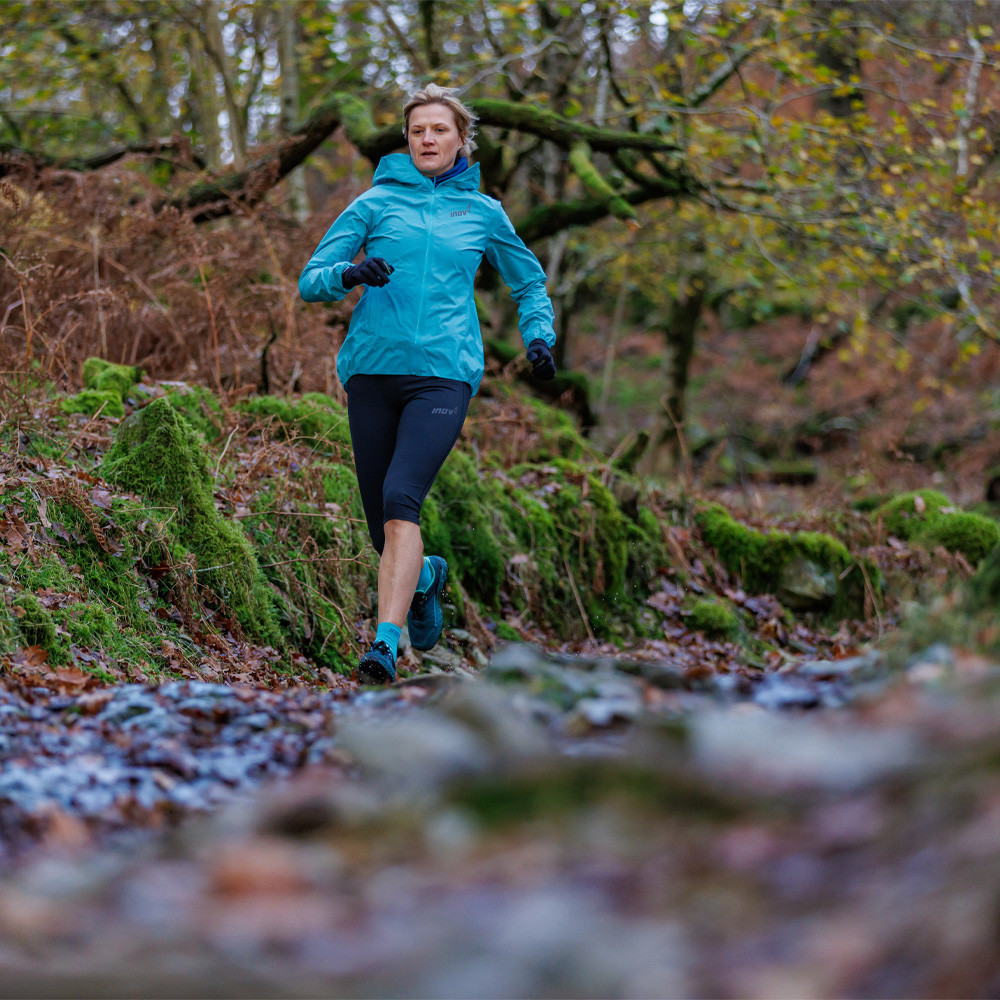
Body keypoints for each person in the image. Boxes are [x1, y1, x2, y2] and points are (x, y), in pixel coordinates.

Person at [299, 83, 557, 685]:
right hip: (372, 371)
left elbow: (529, 282)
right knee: (381, 531)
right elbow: (311, 281)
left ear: (461, 139)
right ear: (407, 140)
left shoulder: (484, 213)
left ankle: (384, 646)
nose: (427, 139)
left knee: (400, 502)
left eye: (438, 130)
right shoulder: (374, 204)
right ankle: (427, 579)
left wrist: (538, 335)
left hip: (443, 376)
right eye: (417, 131)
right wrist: (350, 272)